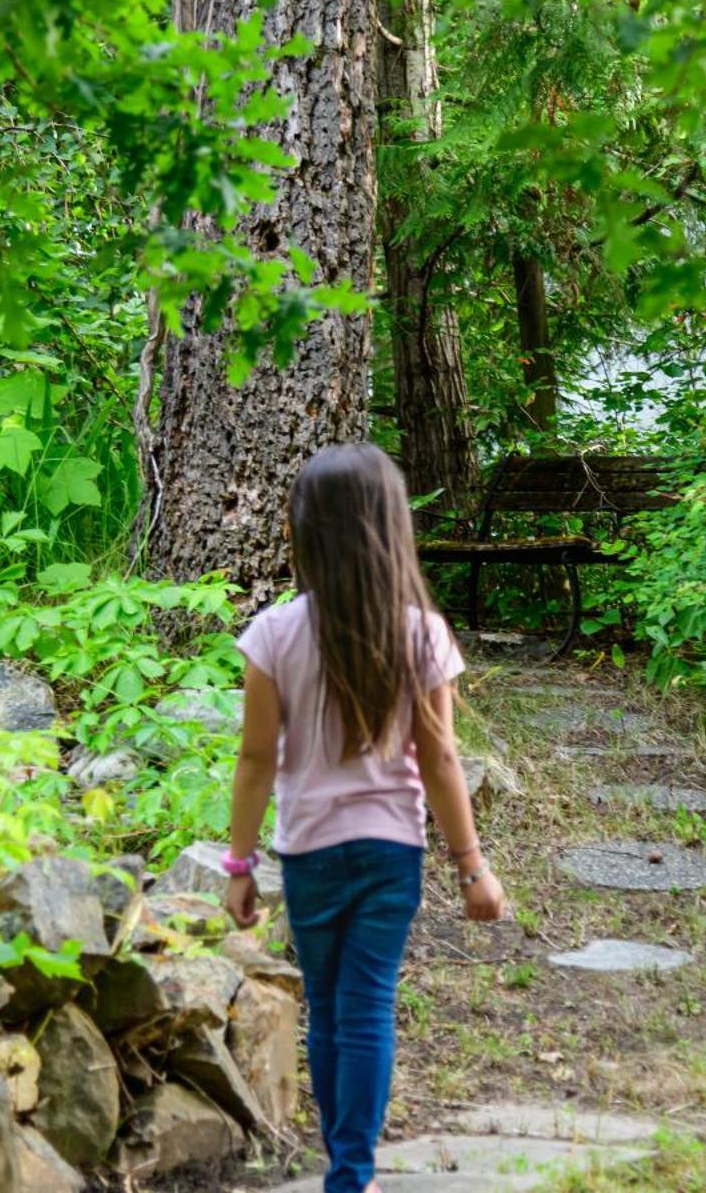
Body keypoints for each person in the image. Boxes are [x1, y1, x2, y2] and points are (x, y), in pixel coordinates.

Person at [222, 442, 506, 1193]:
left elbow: (255, 762)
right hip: (390, 851)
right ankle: (353, 1175)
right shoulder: (421, 635)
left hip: (310, 852)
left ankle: (342, 1172)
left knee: (326, 1009)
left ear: (299, 533)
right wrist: (472, 865)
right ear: (393, 530)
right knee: (369, 1004)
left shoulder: (274, 634)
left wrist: (239, 863)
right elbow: (442, 763)